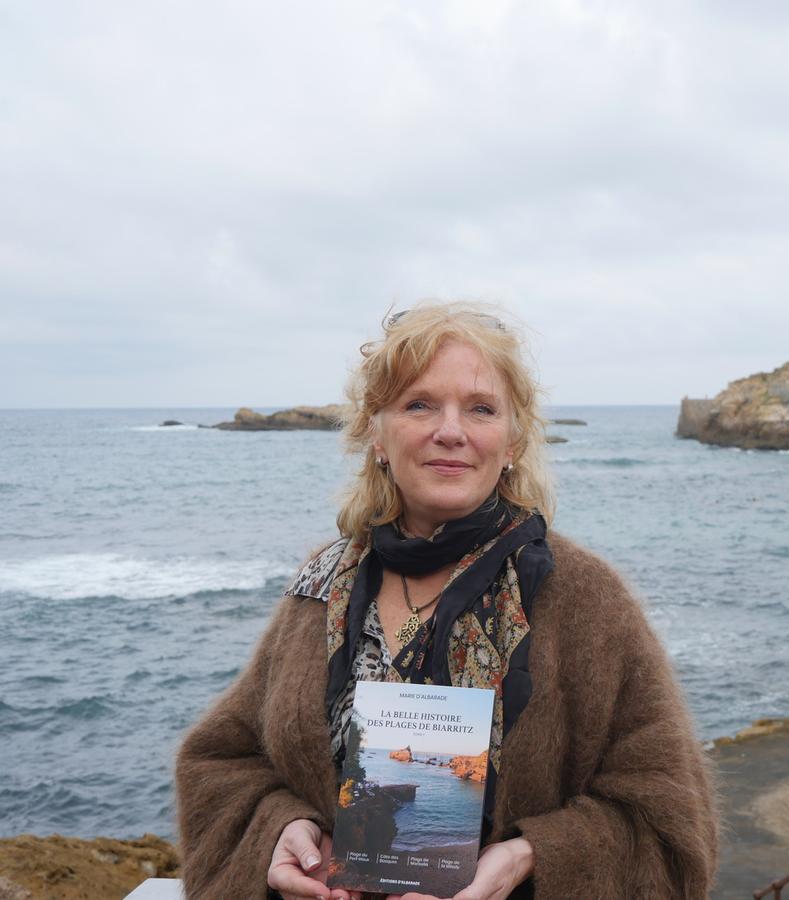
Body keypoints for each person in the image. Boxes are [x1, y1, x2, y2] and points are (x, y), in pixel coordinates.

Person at [175, 302, 718, 900]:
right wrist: (282, 829)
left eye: (481, 408)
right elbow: (221, 762)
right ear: (376, 434)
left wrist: (527, 857)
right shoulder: (323, 584)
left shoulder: (584, 597)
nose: (451, 430)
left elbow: (673, 821)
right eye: (419, 404)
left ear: (512, 440)